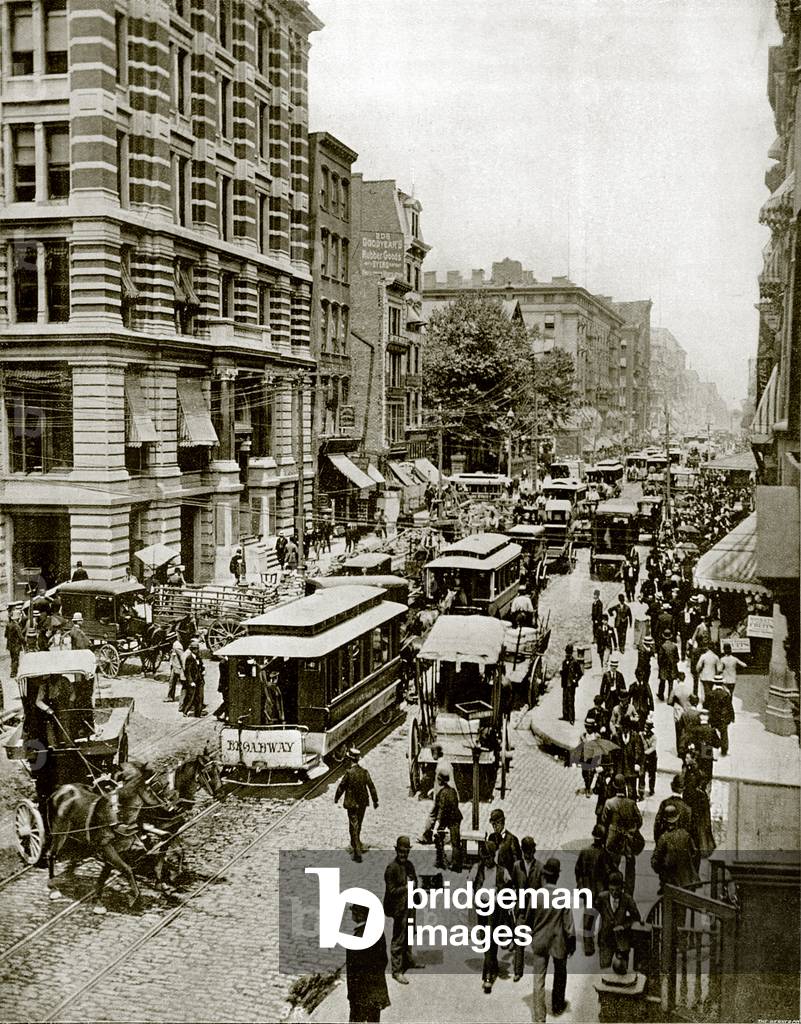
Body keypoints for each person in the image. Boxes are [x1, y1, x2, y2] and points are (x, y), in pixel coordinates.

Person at [528, 857, 575, 1022]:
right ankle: (557, 1005)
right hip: (558, 942)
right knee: (560, 973)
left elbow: (528, 919)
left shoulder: (536, 895)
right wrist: (571, 944)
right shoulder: (562, 895)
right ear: (557, 876)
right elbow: (569, 926)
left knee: (538, 979)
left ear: (545, 876)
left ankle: (540, 1017)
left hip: (540, 941)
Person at [346, 904, 391, 1023]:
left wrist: (352, 995)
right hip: (375, 990)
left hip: (360, 993)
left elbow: (354, 971)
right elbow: (383, 960)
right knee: (373, 1019)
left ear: (359, 915)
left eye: (353, 912)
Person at [383, 836, 418, 984]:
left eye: (406, 852)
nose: (404, 855)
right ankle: (397, 971)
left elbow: (414, 879)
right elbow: (391, 891)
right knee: (399, 937)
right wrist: (407, 887)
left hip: (410, 905)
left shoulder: (409, 865)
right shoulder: (392, 868)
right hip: (398, 908)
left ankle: (408, 961)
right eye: (401, 852)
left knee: (410, 933)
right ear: (397, 851)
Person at [334, 747, 379, 862]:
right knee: (358, 824)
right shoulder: (364, 772)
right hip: (362, 804)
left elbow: (341, 787)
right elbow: (371, 786)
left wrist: (336, 798)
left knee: (353, 826)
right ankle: (356, 842)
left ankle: (357, 850)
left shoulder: (349, 773)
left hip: (352, 804)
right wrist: (375, 800)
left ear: (350, 759)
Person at [601, 774, 643, 895]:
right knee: (630, 866)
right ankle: (629, 892)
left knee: (612, 864)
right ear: (624, 787)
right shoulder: (631, 803)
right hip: (628, 838)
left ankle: (613, 889)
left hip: (613, 838)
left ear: (614, 787)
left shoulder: (609, 803)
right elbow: (639, 820)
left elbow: (604, 821)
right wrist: (633, 829)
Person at [575, 825, 612, 957]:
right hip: (600, 892)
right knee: (604, 918)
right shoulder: (604, 854)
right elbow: (609, 873)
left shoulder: (584, 851)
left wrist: (580, 885)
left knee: (588, 919)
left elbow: (577, 870)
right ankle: (602, 943)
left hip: (587, 890)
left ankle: (588, 947)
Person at [595, 870, 641, 972]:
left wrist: (624, 926)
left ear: (622, 887)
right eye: (612, 890)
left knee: (621, 970)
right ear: (608, 887)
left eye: (617, 890)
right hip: (606, 940)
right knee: (604, 969)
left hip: (622, 941)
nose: (614, 893)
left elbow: (636, 917)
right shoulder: (601, 898)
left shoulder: (627, 899)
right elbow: (592, 913)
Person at [512, 836, 544, 979]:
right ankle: (518, 971)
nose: (528, 855)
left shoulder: (540, 867)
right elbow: (513, 885)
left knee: (537, 941)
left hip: (535, 910)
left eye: (531, 851)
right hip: (521, 909)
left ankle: (538, 970)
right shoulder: (517, 866)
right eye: (526, 852)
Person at [650, 806, 700, 892]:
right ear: (677, 819)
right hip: (689, 882)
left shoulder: (664, 838)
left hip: (672, 883)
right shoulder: (686, 835)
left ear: (665, 821)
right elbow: (694, 853)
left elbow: (656, 861)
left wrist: (661, 870)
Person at [431, 769, 462, 871]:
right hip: (455, 818)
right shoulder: (452, 790)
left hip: (450, 819)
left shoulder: (442, 793)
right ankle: (455, 862)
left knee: (443, 838)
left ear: (440, 781)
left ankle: (443, 861)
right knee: (455, 842)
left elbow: (441, 811)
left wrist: (436, 827)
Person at [654, 774, 693, 843]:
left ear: (672, 786)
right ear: (684, 788)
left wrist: (658, 841)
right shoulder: (687, 808)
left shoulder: (665, 803)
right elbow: (689, 829)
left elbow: (657, 824)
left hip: (665, 842)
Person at [706, 672, 735, 756]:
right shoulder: (726, 694)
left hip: (713, 716)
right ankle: (724, 750)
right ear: (722, 683)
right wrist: (732, 716)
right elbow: (729, 706)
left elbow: (706, 705)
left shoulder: (710, 693)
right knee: (724, 733)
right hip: (723, 717)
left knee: (711, 732)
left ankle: (710, 749)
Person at [486, 807, 521, 875]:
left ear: (503, 823)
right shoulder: (491, 837)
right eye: (493, 824)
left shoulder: (512, 839)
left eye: (497, 823)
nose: (495, 826)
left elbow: (517, 864)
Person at [183, 638, 206, 716]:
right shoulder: (189, 658)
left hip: (200, 680)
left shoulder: (198, 657)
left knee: (200, 697)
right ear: (192, 650)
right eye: (195, 649)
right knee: (191, 697)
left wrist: (203, 670)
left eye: (197, 649)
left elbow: (202, 666)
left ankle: (198, 713)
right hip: (193, 681)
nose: (197, 650)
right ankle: (185, 711)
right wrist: (191, 681)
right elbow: (188, 671)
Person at [560, 644, 582, 724]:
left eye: (569, 652)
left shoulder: (575, 662)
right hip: (565, 684)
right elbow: (564, 672)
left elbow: (580, 673)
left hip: (571, 685)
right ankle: (565, 715)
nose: (567, 654)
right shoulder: (564, 662)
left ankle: (571, 717)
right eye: (567, 652)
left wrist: (575, 680)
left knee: (571, 701)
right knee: (564, 700)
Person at [657, 630, 680, 702]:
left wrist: (660, 665)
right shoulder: (674, 646)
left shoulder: (662, 646)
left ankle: (661, 695)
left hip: (664, 667)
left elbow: (659, 658)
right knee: (671, 683)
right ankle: (670, 698)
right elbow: (677, 658)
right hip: (672, 667)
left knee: (662, 682)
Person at [5, 609, 25, 678]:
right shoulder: (17, 626)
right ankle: (13, 672)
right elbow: (21, 637)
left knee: (12, 658)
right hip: (16, 645)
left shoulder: (8, 625)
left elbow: (5, 635)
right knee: (16, 659)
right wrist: (25, 642)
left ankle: (13, 671)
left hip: (10, 645)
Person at [166, 637, 184, 702]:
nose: (169, 641)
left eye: (169, 640)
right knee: (171, 682)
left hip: (178, 667)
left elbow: (182, 657)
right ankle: (170, 696)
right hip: (174, 666)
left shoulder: (177, 646)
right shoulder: (175, 645)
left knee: (184, 684)